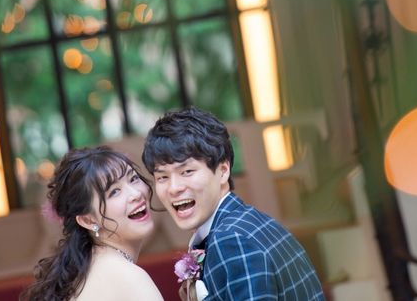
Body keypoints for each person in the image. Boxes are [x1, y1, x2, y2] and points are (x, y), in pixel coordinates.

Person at [142, 106, 325, 300]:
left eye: (187, 172)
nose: (173, 188)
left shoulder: (231, 240)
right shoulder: (251, 223)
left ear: (223, 171)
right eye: (162, 177)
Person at [21, 146, 164, 301]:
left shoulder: (86, 271)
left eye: (133, 179)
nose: (136, 194)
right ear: (87, 220)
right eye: (114, 192)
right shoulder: (127, 276)